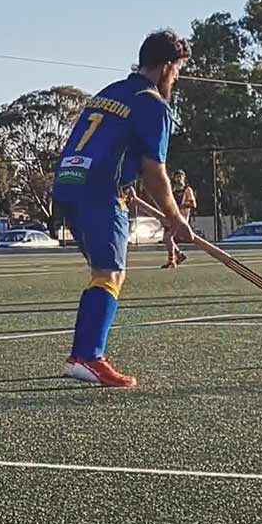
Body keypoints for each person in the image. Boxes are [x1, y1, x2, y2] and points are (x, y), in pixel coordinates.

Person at [52, 30, 194, 388]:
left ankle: (82, 355)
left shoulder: (109, 91)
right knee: (110, 274)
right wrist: (175, 217)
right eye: (176, 71)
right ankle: (87, 357)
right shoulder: (154, 104)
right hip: (101, 189)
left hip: (68, 182)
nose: (175, 79)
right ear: (165, 68)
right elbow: (154, 170)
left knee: (103, 272)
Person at [161, 170, 196, 268]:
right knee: (167, 238)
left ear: (184, 177)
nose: (178, 179)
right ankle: (178, 256)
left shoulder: (187, 189)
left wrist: (181, 206)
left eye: (180, 176)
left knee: (168, 237)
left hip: (181, 218)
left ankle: (173, 259)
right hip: (173, 216)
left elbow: (193, 204)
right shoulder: (174, 191)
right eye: (177, 177)